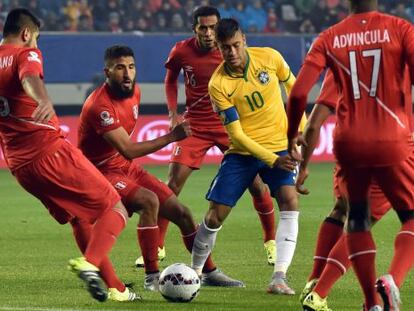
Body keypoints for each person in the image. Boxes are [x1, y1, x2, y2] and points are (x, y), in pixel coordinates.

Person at [78, 44, 244, 291]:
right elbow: (129, 149)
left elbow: (126, 156)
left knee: (183, 213)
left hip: (125, 167)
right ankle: (152, 278)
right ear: (107, 72)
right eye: (120, 68)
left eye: (131, 67)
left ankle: (209, 271)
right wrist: (171, 137)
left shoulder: (134, 93)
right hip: (99, 173)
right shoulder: (99, 107)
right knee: (149, 202)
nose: (127, 74)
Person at [0, 8, 135, 302]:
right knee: (116, 207)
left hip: (20, 167)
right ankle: (90, 263)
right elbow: (29, 77)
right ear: (26, 33)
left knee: (78, 218)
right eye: (35, 37)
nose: (36, 43)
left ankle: (116, 289)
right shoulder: (26, 53)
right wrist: (44, 98)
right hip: (49, 152)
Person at [286, 1, 414, 309]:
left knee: (354, 217)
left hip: (348, 143)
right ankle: (389, 281)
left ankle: (369, 302)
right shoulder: (400, 30)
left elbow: (299, 94)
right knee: (407, 215)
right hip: (391, 137)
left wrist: (293, 135)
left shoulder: (331, 38)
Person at [134, 5, 277, 268]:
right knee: (172, 185)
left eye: (213, 27)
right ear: (194, 28)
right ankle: (157, 246)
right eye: (203, 27)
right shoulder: (181, 51)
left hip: (229, 125)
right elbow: (170, 80)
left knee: (256, 185)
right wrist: (172, 112)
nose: (209, 33)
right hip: (195, 127)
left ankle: (271, 241)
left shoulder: (231, 51)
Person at [190, 18, 306, 295]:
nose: (231, 53)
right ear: (217, 48)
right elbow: (238, 136)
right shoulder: (218, 84)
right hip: (244, 152)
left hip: (279, 144)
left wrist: (300, 129)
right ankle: (194, 274)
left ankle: (279, 277)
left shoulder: (270, 58)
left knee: (290, 199)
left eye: (235, 45)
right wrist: (273, 160)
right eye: (224, 48)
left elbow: (296, 90)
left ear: (245, 40)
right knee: (216, 216)